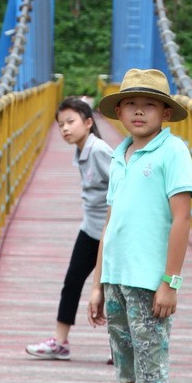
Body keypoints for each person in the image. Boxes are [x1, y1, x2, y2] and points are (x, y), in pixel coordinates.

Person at [86, 68, 192, 383]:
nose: (137, 111)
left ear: (165, 112)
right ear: (118, 112)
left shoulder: (174, 152)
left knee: (151, 373)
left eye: (148, 104)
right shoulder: (121, 154)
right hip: (116, 278)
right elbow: (110, 221)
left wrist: (170, 282)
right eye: (130, 104)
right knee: (128, 373)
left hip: (149, 282)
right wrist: (98, 283)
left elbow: (182, 219)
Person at [25, 96, 114, 361]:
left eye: (70, 122)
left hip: (110, 232)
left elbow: (124, 184)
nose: (64, 129)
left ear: (88, 123)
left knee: (113, 290)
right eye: (61, 124)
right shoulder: (81, 148)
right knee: (72, 282)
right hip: (90, 228)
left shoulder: (99, 150)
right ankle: (60, 343)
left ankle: (120, 349)